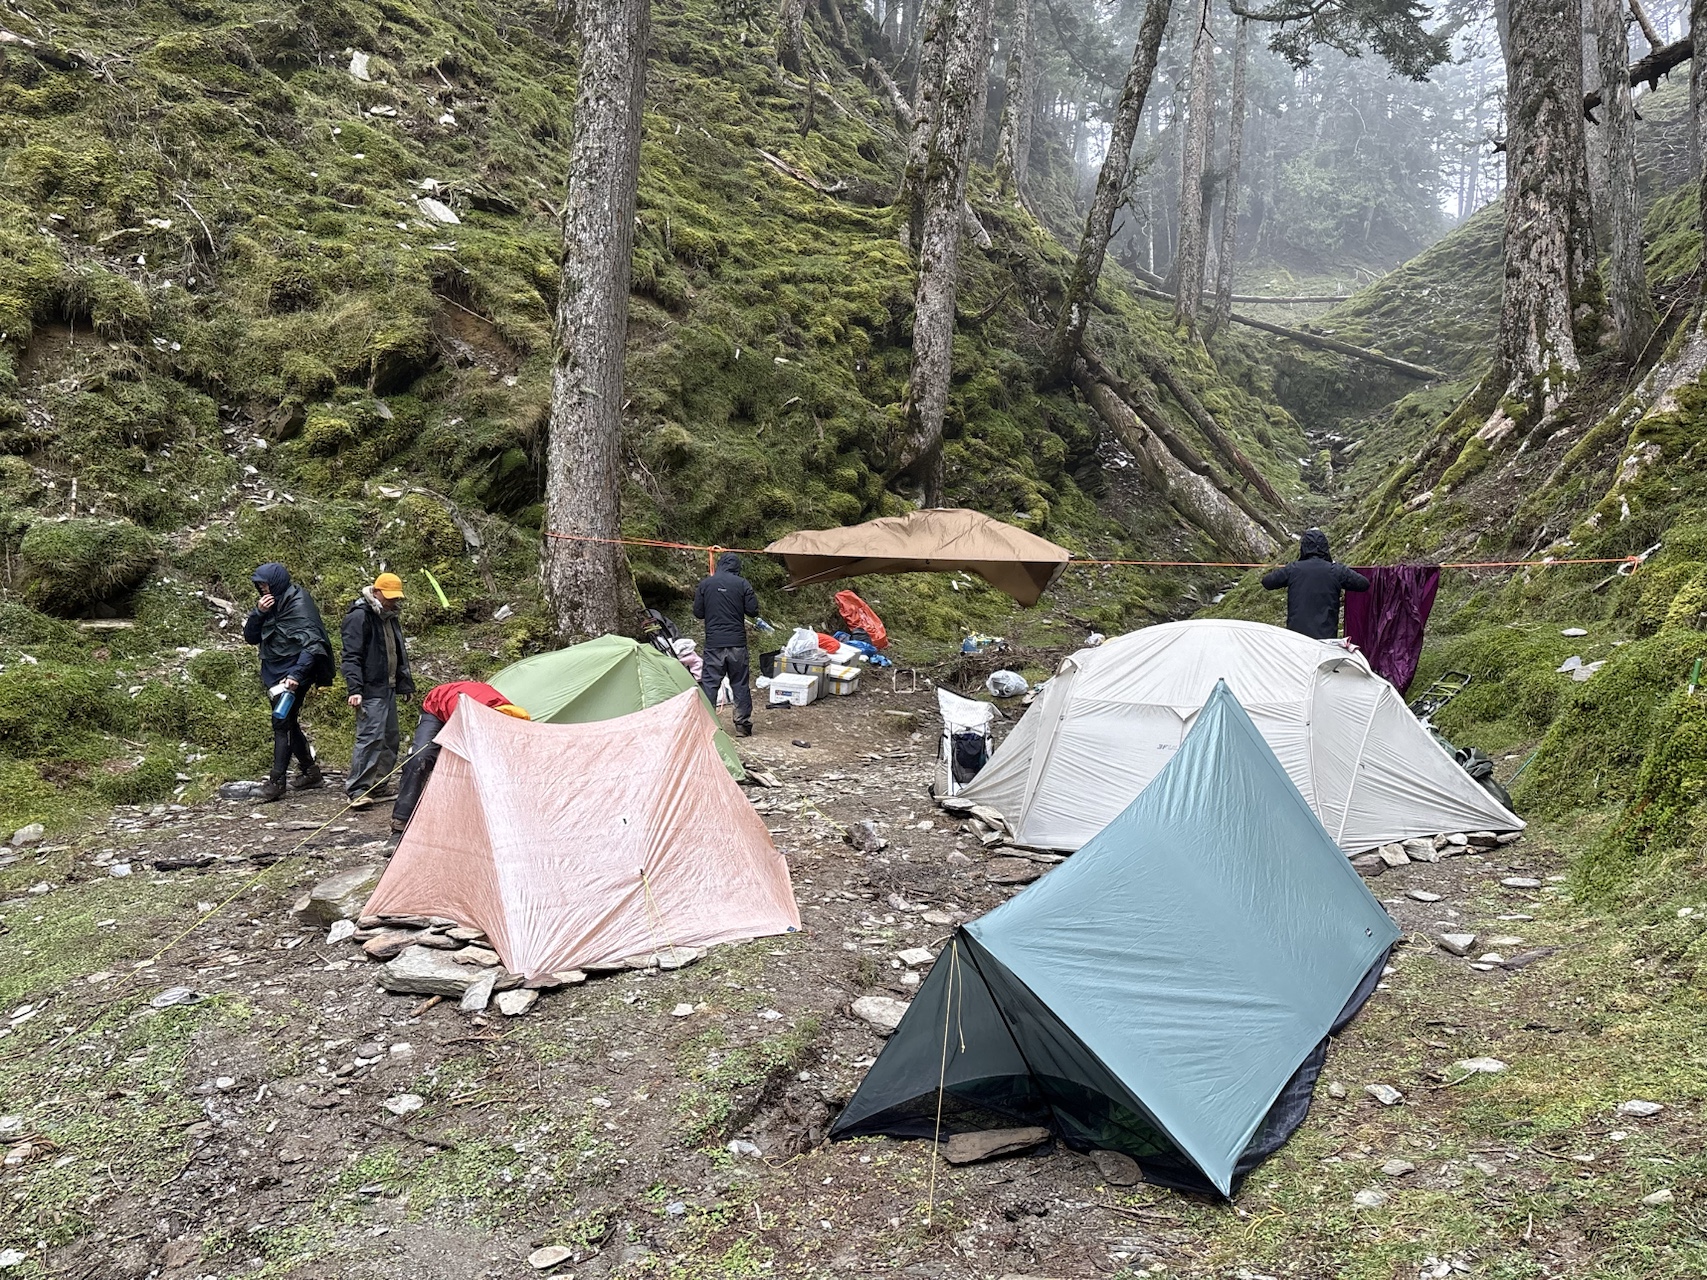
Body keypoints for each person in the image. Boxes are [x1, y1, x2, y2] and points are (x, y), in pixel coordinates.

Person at [244, 562, 334, 803]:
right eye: (260, 586)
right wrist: (258, 613)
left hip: (296, 671)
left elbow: (313, 644)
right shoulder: (269, 605)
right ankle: (310, 772)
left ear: (277, 583)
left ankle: (276, 783)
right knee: (288, 722)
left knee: (281, 722)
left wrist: (296, 674)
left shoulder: (299, 603)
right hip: (273, 671)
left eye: (266, 585)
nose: (263, 590)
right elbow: (250, 637)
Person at [391, 681, 529, 834]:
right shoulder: (473, 718)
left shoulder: (515, 720)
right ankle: (401, 822)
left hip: (466, 702)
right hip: (438, 706)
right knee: (420, 758)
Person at [340, 572, 416, 807]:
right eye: (389, 596)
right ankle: (358, 790)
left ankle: (378, 785)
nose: (393, 601)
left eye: (396, 597)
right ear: (376, 592)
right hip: (370, 689)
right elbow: (351, 656)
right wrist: (355, 689)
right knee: (370, 738)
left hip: (389, 687)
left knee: (390, 739)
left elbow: (397, 651)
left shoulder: (390, 617)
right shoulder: (359, 616)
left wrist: (405, 684)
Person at [692, 552, 760, 737]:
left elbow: (698, 612)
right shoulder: (742, 584)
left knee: (710, 684)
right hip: (737, 643)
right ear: (737, 568)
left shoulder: (705, 584)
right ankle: (742, 725)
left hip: (714, 644)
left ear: (719, 565)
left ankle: (706, 725)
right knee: (739, 683)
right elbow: (753, 610)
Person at [1261, 529, 1370, 640]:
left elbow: (1267, 582)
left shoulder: (1293, 569)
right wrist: (1341, 569)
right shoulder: (1336, 570)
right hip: (1325, 637)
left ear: (1303, 548)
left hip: (1296, 638)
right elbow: (1363, 583)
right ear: (1325, 548)